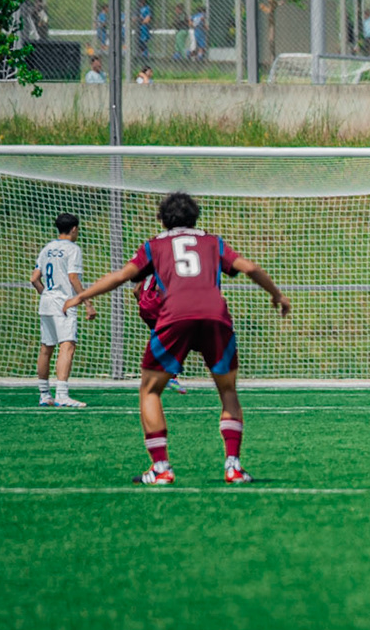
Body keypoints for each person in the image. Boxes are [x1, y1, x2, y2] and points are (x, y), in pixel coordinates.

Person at [64, 191, 291, 484]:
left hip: (174, 316)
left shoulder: (155, 245)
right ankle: (233, 467)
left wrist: (82, 295)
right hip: (215, 315)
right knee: (228, 391)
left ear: (161, 219)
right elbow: (250, 267)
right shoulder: (213, 241)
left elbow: (122, 276)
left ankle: (161, 469)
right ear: (196, 216)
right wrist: (277, 295)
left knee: (149, 390)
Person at [31, 213, 94, 408]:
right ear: (74, 229)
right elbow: (73, 277)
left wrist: (46, 295)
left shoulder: (47, 248)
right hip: (64, 304)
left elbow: (34, 278)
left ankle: (44, 395)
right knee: (67, 346)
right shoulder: (72, 249)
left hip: (47, 302)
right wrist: (87, 302)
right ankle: (62, 395)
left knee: (46, 347)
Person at [135, 273, 188, 394]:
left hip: (145, 308)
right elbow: (160, 287)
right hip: (157, 306)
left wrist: (143, 304)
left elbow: (135, 290)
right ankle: (170, 377)